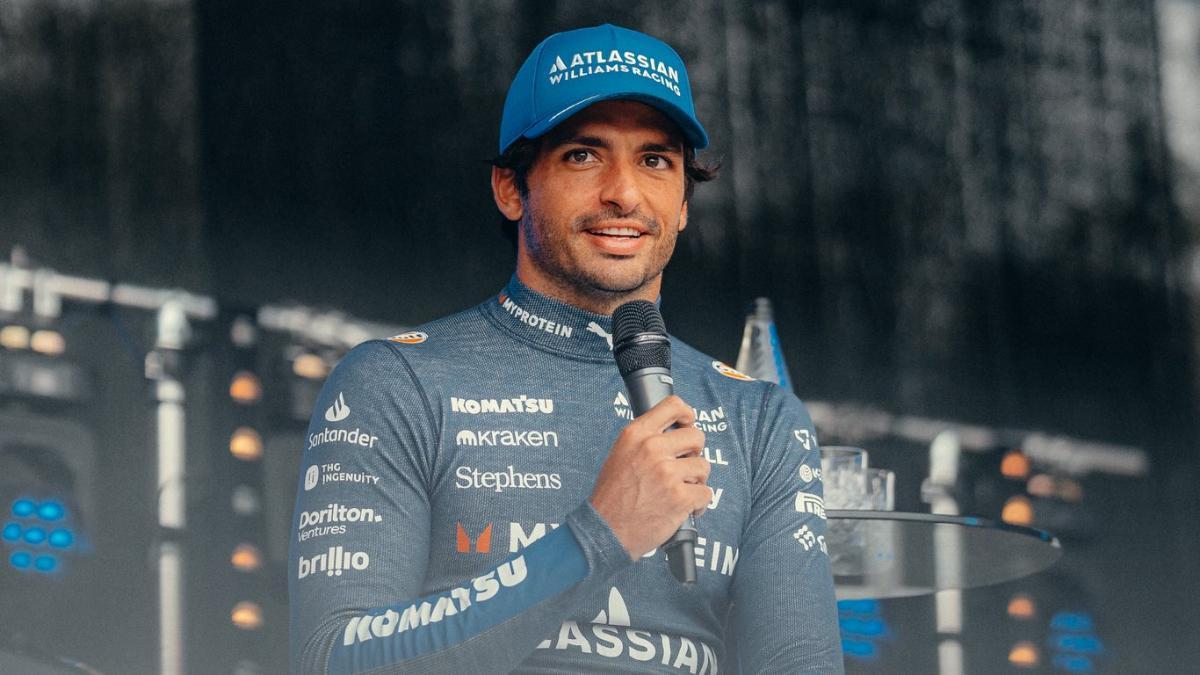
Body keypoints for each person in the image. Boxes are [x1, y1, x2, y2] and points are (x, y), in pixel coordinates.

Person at [289, 23, 842, 674]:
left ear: (686, 201)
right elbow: (335, 659)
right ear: (510, 187)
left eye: (655, 160)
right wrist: (597, 537)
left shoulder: (762, 418)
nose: (625, 193)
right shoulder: (395, 381)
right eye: (584, 154)